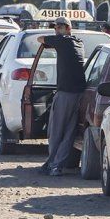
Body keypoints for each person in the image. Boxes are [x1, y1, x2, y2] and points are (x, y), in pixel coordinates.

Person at [37, 17, 86, 176]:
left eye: (59, 27)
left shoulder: (63, 41)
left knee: (55, 131)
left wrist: (53, 41)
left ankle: (52, 164)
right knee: (69, 133)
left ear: (67, 28)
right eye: (55, 28)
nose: (56, 30)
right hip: (79, 94)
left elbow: (40, 39)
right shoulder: (78, 42)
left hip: (65, 93)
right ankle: (57, 165)